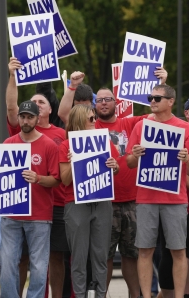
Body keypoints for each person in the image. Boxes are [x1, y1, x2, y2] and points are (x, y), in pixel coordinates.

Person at [126, 84, 189, 298]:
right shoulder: (141, 127)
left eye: (157, 98)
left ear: (170, 102)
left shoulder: (184, 128)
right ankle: (146, 295)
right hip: (146, 198)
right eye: (150, 97)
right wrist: (136, 154)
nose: (152, 101)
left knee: (178, 251)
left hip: (175, 199)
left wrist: (187, 157)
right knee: (145, 250)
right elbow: (130, 162)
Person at [6, 57, 69, 298]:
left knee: (53, 258)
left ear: (49, 109)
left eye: (40, 102)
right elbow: (11, 108)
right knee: (18, 260)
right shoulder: (18, 132)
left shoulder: (60, 135)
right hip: (19, 209)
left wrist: (71, 87)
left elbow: (62, 172)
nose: (36, 105)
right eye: (32, 103)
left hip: (55, 205)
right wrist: (12, 75)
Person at [93, 86, 153, 298]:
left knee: (132, 254)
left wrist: (160, 82)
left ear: (116, 103)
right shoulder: (90, 128)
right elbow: (66, 116)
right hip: (104, 202)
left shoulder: (129, 123)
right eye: (99, 100)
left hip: (132, 201)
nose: (103, 103)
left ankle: (134, 295)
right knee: (105, 255)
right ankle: (102, 294)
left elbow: (156, 114)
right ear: (94, 104)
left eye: (108, 99)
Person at [0, 100, 60, 298]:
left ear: (37, 118)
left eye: (30, 117)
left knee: (40, 265)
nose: (25, 120)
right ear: (18, 118)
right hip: (11, 215)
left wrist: (38, 178)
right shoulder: (8, 144)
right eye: (22, 116)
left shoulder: (49, 145)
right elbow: (0, 179)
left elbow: (56, 180)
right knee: (7, 263)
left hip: (40, 215)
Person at [59, 104, 120, 298]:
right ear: (79, 121)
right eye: (91, 119)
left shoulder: (104, 141)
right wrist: (72, 161)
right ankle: (80, 295)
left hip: (102, 202)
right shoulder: (66, 145)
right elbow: (65, 179)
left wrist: (114, 165)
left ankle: (101, 295)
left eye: (95, 118)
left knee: (101, 256)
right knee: (78, 257)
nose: (96, 121)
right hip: (76, 204)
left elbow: (116, 169)